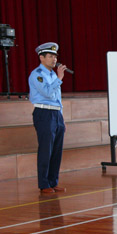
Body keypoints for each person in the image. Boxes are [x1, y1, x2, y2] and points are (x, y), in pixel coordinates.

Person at [29, 42, 68, 194]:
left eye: (55, 56)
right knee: (46, 149)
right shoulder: (37, 74)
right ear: (41, 57)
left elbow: (57, 99)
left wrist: (62, 119)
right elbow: (47, 94)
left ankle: (53, 181)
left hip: (56, 114)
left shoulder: (52, 74)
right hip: (44, 114)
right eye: (50, 56)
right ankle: (44, 184)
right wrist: (59, 78)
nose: (54, 59)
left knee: (57, 150)